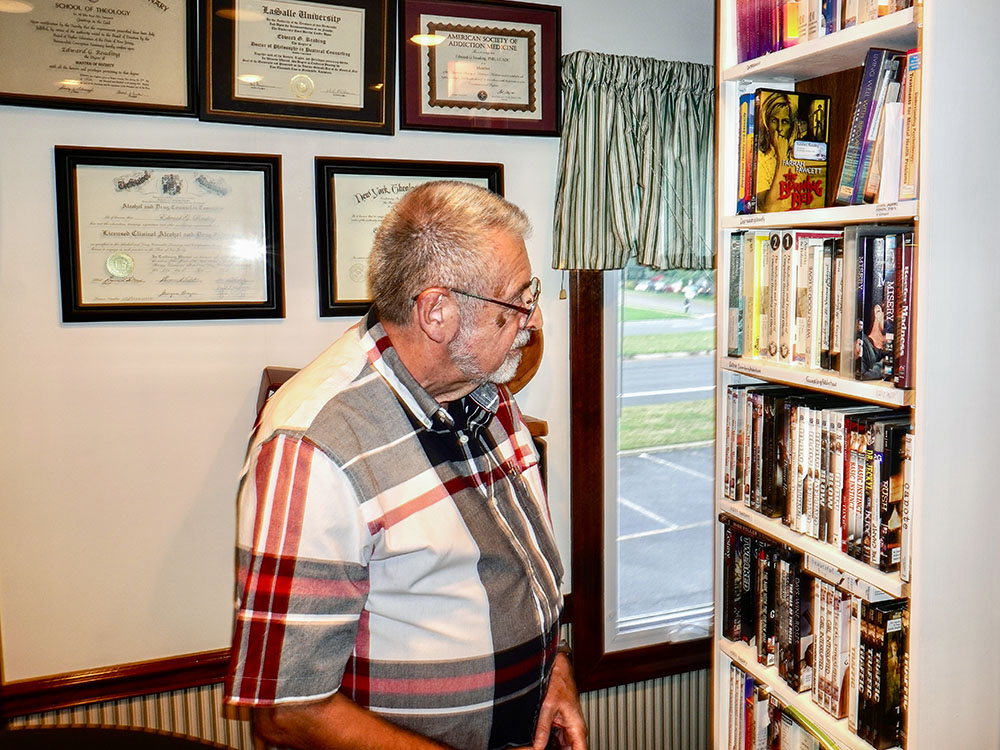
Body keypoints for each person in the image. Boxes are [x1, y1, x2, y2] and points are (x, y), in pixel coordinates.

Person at [223, 181, 587, 750]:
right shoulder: (313, 445)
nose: (533, 319)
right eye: (518, 300)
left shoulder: (484, 390)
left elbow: (521, 574)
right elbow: (288, 710)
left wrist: (556, 665)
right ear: (438, 313)